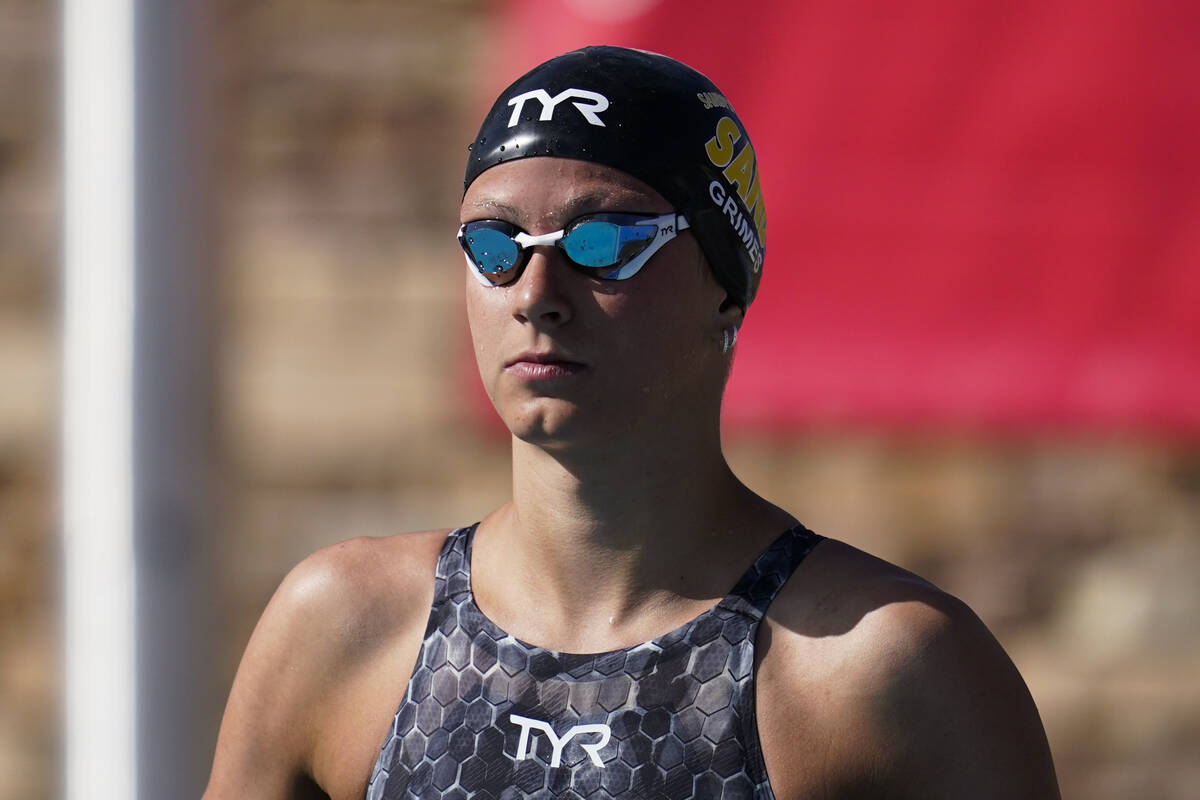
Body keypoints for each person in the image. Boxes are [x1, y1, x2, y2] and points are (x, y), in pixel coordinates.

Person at [203, 46, 1060, 799]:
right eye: (495, 246)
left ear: (725, 285)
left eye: (603, 242)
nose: (536, 296)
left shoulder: (881, 667)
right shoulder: (346, 629)